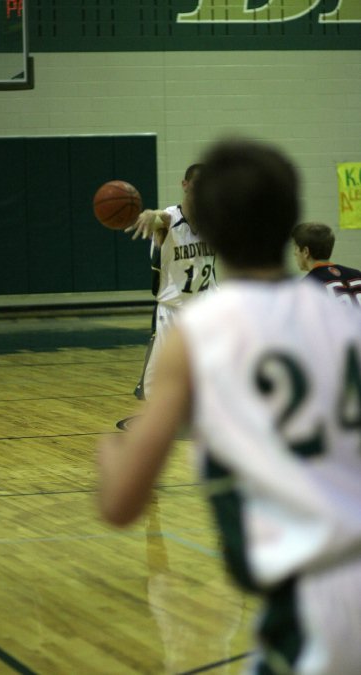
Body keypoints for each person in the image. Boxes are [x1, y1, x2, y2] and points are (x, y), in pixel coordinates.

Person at [97, 139, 361, 674]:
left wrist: (109, 456)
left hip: (312, 597)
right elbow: (158, 219)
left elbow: (120, 503)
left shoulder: (206, 336)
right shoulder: (339, 318)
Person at [127, 164, 218, 400]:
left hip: (207, 307)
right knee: (152, 389)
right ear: (185, 185)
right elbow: (158, 217)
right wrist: (148, 215)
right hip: (172, 311)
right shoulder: (169, 219)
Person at [292, 222, 361, 307]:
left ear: (306, 252)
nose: (294, 253)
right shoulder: (357, 274)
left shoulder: (307, 286)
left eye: (296, 248)